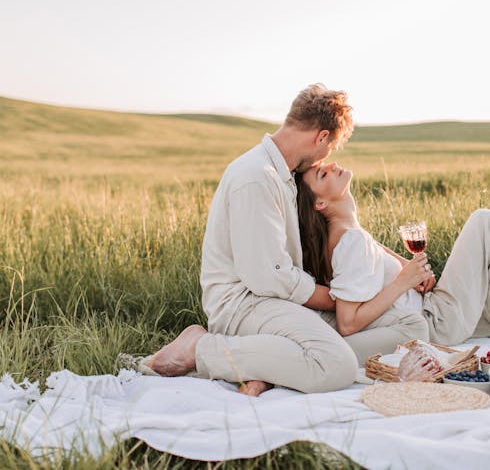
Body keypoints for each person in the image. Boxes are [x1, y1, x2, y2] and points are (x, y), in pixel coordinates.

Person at [146, 84, 361, 396]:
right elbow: (268, 277)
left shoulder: (280, 173)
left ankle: (260, 366)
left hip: (269, 301)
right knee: (336, 365)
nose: (325, 159)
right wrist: (333, 299)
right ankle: (200, 349)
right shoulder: (256, 177)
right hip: (243, 304)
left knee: (355, 335)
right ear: (321, 137)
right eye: (329, 149)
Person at [295, 161, 490, 359]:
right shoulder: (351, 241)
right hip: (436, 321)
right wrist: (404, 282)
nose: (332, 165)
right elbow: (348, 323)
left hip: (432, 311)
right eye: (322, 173)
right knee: (484, 221)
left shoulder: (347, 233)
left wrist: (404, 265)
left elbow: (370, 252)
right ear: (320, 202)